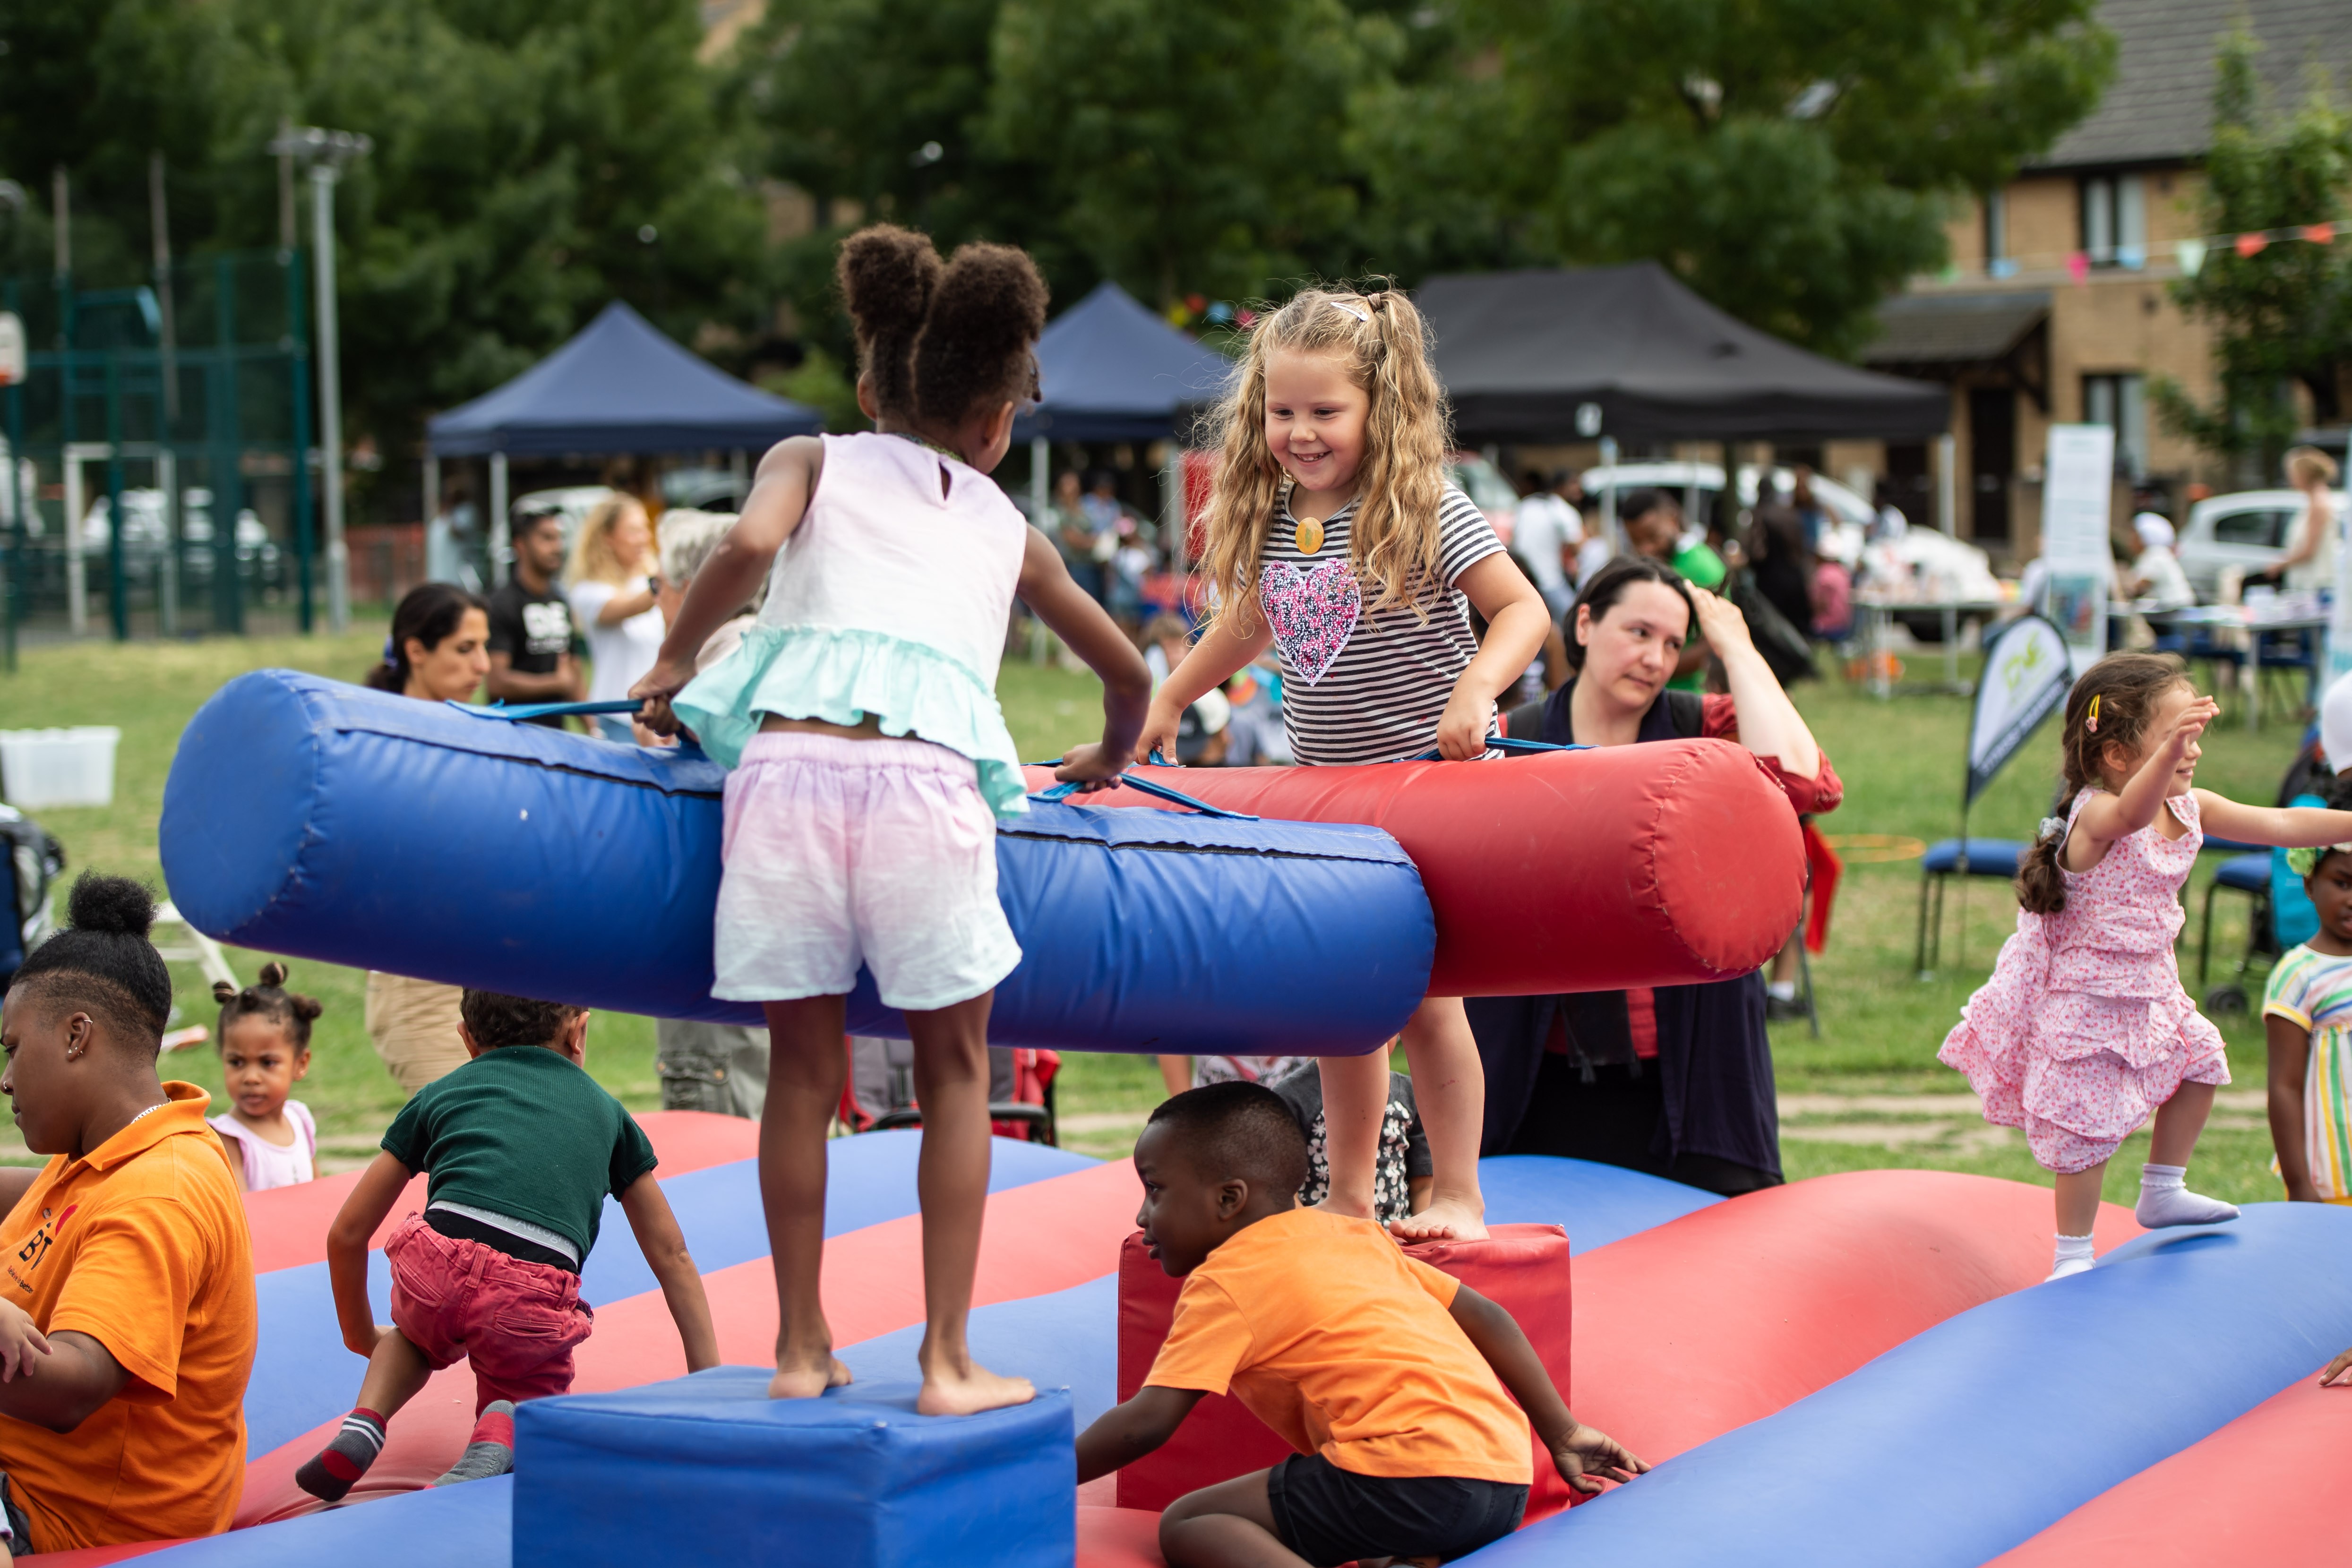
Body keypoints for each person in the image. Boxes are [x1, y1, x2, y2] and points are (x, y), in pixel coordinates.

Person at [629, 224, 1152, 1413]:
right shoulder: (1009, 527)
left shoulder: (808, 456)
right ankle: (946, 1358)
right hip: (925, 784)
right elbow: (1126, 676)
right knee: (958, 1069)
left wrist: (671, 659)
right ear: (999, 420)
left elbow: (749, 545)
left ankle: (803, 1347)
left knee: (804, 1077)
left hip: (789, 775)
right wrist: (1113, 751)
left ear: (870, 386)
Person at [1137, 285, 1552, 1245]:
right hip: (1333, 797)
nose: (1299, 432)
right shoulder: (1277, 512)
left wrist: (1475, 689)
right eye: (1281, 412)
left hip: (1428, 783)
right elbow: (1252, 620)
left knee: (1427, 1002)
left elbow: (1521, 609)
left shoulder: (1417, 505)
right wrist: (1172, 692)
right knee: (1346, 1005)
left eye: (1324, 411)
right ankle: (1352, 1195)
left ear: (1379, 408)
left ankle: (1457, 1191)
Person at [1075, 1083, 1645, 1568]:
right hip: (1502, 1478)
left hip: (1407, 1476)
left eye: (1155, 1190)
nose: (1141, 1216)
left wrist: (1042, 1472)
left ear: (1229, 1198)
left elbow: (1147, 1422)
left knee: (1193, 1520)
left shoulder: (1227, 1278)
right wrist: (1564, 1433)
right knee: (1355, 1524)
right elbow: (1487, 1314)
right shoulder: (1353, 1235)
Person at [1940, 652, 2352, 1280]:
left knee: (2202, 1062)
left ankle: (2162, 1188)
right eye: (2175, 740)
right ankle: (2071, 1251)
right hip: (2086, 997)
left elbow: (2281, 822)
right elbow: (2133, 812)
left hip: (2150, 987)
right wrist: (2168, 754)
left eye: (2194, 740)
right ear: (2116, 755)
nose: (2191, 753)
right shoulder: (2095, 815)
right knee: (2084, 1124)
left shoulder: (2190, 809)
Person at [1471, 557, 1839, 1194]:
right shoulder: (1510, 741)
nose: (1655, 658)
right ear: (1584, 624)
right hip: (1536, 1076)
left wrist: (1735, 643)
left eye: (1673, 643)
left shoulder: (1705, 728)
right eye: (1638, 632)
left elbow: (1805, 783)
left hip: (1691, 1075)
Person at [297, 990, 718, 1501]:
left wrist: (361, 1335)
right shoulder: (607, 1113)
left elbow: (347, 1232)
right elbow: (672, 1254)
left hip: (435, 1264)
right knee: (530, 1378)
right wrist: (707, 1377)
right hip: (528, 1292)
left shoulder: (441, 1091)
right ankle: (502, 1425)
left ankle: (364, 1423)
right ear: (577, 1032)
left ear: (468, 1039)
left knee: (412, 1335)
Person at [0, 874, 256, 1558]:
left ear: (77, 1035)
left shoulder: (159, 1191)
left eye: (12, 1049)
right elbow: (37, 1201)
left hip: (72, 1515)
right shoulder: (110, 1141)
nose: (4, 1079)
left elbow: (72, 1388)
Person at [649, 507, 773, 1116]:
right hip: (757, 946)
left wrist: (691, 710)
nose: (655, 601)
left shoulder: (730, 649)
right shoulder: (772, 647)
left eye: (657, 586)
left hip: (722, 947)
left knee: (721, 1126)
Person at [362, 583, 491, 1096]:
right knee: (477, 1157)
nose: (482, 665)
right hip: (423, 983)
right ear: (416, 650)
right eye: (465, 648)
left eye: (484, 646)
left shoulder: (470, 731)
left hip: (495, 979)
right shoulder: (383, 745)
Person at [2264, 788, 2352, 1207]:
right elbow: (2284, 1086)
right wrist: (2300, 1185)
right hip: (2331, 1180)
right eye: (2343, 882)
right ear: (2310, 881)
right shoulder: (2298, 974)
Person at [206, 963, 319, 1191]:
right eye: (236, 1062)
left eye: (268, 1063)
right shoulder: (229, 1139)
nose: (251, 1078)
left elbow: (319, 1194)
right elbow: (242, 1220)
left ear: (300, 1064)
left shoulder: (300, 1120)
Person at [567, 494, 668, 743]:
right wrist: (672, 577)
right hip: (617, 716)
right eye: (633, 531)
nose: (644, 538)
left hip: (658, 713)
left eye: (645, 529)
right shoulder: (589, 591)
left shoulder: (649, 581)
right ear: (607, 538)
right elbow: (630, 607)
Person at [484, 505, 586, 726]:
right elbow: (496, 682)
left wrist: (593, 729)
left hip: (556, 737)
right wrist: (556, 683)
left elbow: (573, 672)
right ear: (520, 545)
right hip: (513, 738)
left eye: (559, 538)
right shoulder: (502, 604)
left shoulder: (560, 601)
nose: (557, 547)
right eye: (547, 539)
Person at [1622, 488, 1717, 692]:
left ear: (1673, 521)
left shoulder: (1700, 568)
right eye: (1637, 542)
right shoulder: (1661, 564)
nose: (1646, 549)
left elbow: (1711, 645)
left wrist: (1645, 669)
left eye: (1653, 537)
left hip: (1690, 695)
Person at [2256, 446, 2340, 593]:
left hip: (2316, 584)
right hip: (2309, 582)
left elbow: (2309, 550)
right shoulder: (2314, 501)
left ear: (2304, 475)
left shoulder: (2319, 504)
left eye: (2292, 474)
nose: (2290, 479)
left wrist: (2280, 564)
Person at [1511, 470, 1580, 617]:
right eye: (1574, 483)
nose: (1578, 489)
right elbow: (1578, 545)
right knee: (1573, 619)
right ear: (1561, 487)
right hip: (1550, 581)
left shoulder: (1525, 505)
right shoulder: (1562, 510)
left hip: (1522, 582)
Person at [1052, 471, 1107, 603]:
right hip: (1074, 567)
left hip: (1091, 566)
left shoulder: (1085, 507)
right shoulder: (1062, 512)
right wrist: (1095, 542)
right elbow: (1072, 539)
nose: (1072, 488)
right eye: (1068, 484)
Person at [2123, 513, 2193, 612]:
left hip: (2174, 610)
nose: (2130, 540)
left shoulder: (2154, 555)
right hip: (2173, 608)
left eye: (2135, 536)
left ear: (2145, 538)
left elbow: (2139, 587)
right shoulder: (2159, 553)